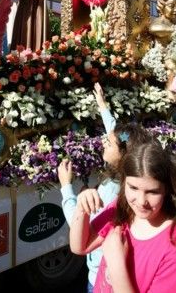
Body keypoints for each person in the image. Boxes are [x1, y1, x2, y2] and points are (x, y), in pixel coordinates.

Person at [70, 135, 176, 293]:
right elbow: (80, 246)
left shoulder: (175, 254)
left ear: (166, 190)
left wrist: (116, 263)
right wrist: (82, 208)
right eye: (133, 188)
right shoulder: (122, 209)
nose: (141, 201)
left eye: (152, 191)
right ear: (123, 183)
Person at [58, 83, 145, 293]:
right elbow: (117, 134)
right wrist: (102, 105)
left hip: (102, 279)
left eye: (110, 143)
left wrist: (66, 187)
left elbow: (82, 228)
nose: (105, 141)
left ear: (123, 153)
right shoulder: (127, 172)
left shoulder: (113, 190)